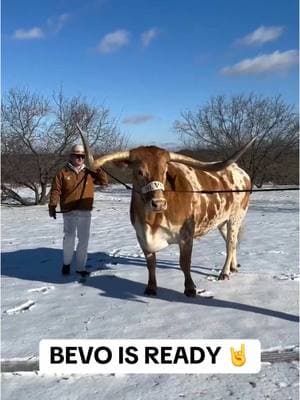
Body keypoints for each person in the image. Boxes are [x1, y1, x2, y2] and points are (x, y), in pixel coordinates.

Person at [48, 144, 108, 277]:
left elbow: (104, 182)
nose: (80, 158)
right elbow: (56, 190)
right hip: (69, 211)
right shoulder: (62, 173)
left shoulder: (90, 172)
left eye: (82, 156)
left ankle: (81, 267)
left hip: (85, 211)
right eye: (77, 156)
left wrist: (97, 167)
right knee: (69, 237)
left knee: (84, 239)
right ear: (71, 156)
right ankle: (66, 263)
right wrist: (52, 205)